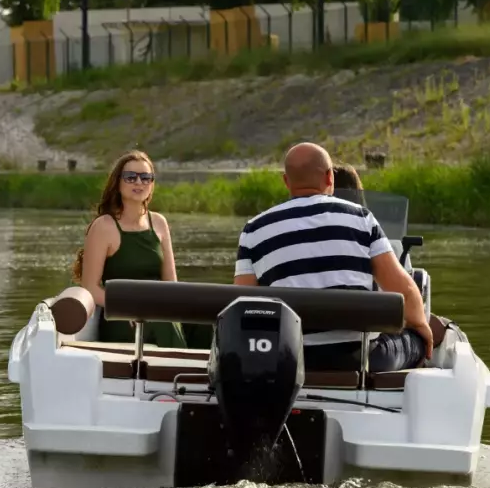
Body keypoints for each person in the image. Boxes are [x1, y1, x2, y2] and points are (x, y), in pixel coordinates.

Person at [233, 142, 433, 372]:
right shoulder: (361, 219)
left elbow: (243, 305)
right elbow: (403, 290)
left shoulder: (253, 229)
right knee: (416, 337)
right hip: (356, 360)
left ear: (286, 181)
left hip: (288, 362)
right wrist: (420, 325)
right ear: (330, 178)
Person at [71, 150, 187, 348]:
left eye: (145, 177)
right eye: (131, 177)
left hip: (158, 310)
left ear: (152, 184)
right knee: (163, 323)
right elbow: (90, 287)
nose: (139, 183)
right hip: (121, 316)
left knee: (208, 326)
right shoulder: (103, 226)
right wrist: (129, 308)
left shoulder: (159, 223)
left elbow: (171, 284)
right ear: (118, 182)